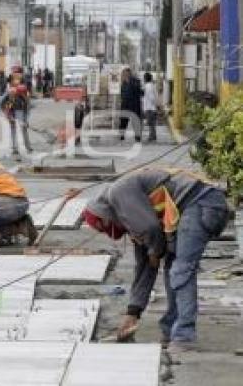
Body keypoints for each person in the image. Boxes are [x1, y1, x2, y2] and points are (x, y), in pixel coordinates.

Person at [80, 167, 229, 353]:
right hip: (195, 206)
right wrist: (132, 313)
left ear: (106, 218)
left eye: (105, 229)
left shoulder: (119, 193)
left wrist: (155, 252)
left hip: (201, 202)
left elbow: (150, 230)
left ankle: (184, 336)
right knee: (173, 266)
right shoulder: (131, 215)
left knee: (181, 269)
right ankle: (171, 331)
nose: (111, 234)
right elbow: (145, 267)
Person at [0, 84, 33, 157]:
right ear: (18, 92)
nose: (23, 96)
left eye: (24, 94)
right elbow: (1, 105)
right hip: (12, 111)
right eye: (21, 94)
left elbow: (27, 109)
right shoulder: (10, 94)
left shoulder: (26, 96)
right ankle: (15, 149)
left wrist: (26, 120)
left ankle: (28, 147)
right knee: (13, 130)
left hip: (21, 112)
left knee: (24, 129)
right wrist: (8, 116)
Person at [119, 67, 143, 142]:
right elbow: (122, 94)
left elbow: (139, 92)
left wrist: (130, 82)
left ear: (129, 73)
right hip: (125, 105)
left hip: (134, 105)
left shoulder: (136, 81)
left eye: (125, 73)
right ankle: (122, 135)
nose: (124, 75)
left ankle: (137, 136)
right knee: (123, 121)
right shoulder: (123, 83)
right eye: (124, 74)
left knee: (135, 121)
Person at [142, 72, 159, 142]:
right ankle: (153, 136)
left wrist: (153, 104)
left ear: (145, 78)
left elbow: (152, 97)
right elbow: (155, 96)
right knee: (152, 123)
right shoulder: (152, 85)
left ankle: (151, 136)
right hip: (152, 107)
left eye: (144, 78)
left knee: (150, 123)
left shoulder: (147, 86)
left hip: (149, 108)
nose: (143, 79)